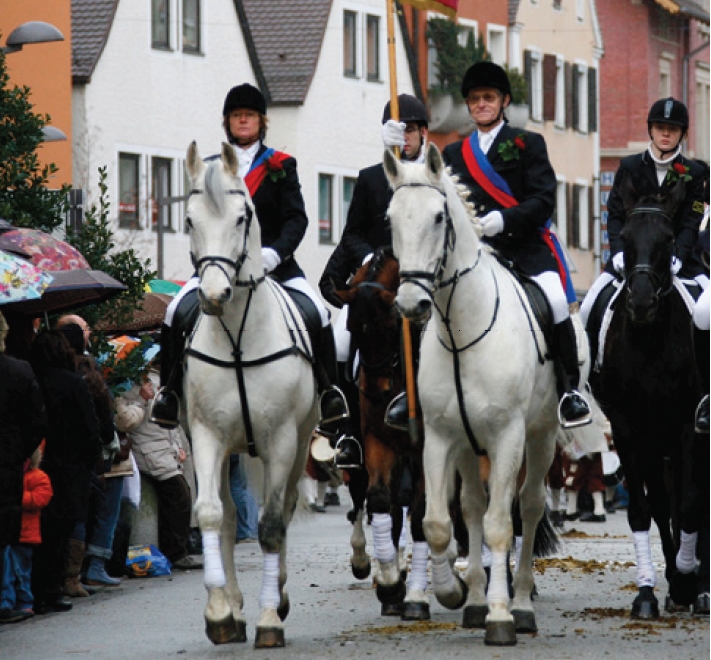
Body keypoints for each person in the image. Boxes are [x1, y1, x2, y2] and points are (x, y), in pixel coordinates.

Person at [150, 83, 348, 437]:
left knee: (317, 313)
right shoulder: (208, 168)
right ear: (228, 122)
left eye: (250, 116)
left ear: (261, 121)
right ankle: (169, 394)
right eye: (237, 116)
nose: (243, 121)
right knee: (172, 312)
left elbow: (297, 219)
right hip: (218, 268)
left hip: (276, 267)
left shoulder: (281, 165)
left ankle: (328, 393)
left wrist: (275, 253)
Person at [441, 61, 591, 428]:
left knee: (556, 300)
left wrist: (504, 220)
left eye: (488, 97)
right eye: (474, 99)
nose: (481, 104)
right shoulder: (453, 154)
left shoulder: (527, 144)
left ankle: (570, 390)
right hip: (474, 256)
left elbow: (543, 200)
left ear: (504, 101)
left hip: (523, 249)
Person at [319, 93, 431, 466]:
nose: (405, 137)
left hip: (421, 283)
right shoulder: (371, 178)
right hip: (377, 287)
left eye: (411, 130)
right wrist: (372, 259)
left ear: (424, 134)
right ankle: (347, 430)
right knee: (338, 340)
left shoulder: (435, 175)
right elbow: (351, 233)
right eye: (398, 131)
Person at [580, 98, 707, 339]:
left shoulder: (694, 172)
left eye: (673, 129)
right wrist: (618, 251)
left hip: (682, 264)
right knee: (587, 308)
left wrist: (678, 255)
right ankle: (590, 373)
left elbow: (692, 220)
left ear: (683, 133)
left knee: (704, 313)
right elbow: (616, 215)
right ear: (651, 129)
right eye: (660, 128)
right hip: (631, 260)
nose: (666, 134)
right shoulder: (630, 167)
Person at [28, 330, 102, 614]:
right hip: (71, 469)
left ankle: (36, 589)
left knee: (40, 528)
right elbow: (89, 426)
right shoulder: (73, 383)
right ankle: (52, 589)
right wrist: (90, 460)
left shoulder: (32, 379)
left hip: (40, 461)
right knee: (62, 530)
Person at [57, 317, 118, 595]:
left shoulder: (48, 371)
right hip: (80, 459)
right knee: (80, 514)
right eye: (85, 330)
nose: (89, 333)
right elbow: (100, 424)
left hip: (54, 455)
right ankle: (71, 578)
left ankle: (65, 577)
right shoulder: (84, 375)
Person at [126, 365, 202, 570]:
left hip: (164, 448)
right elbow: (126, 421)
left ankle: (179, 548)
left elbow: (170, 420)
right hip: (148, 450)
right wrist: (141, 398)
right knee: (179, 494)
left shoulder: (161, 379)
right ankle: (176, 552)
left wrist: (177, 447)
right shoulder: (128, 384)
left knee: (181, 494)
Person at [0, 311, 47, 623]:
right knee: (3, 537)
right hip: (6, 464)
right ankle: (4, 601)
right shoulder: (18, 370)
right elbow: (37, 421)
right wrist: (19, 453)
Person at [1, 443, 53, 623]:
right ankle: (7, 602)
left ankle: (24, 601)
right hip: (11, 531)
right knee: (8, 571)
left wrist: (17, 496)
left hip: (27, 534)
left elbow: (41, 498)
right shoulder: (14, 477)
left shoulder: (38, 477)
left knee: (21, 571)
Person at [228, 454, 259, 543]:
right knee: (242, 488)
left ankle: (240, 531)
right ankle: (246, 531)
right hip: (240, 454)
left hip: (222, 454)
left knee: (234, 489)